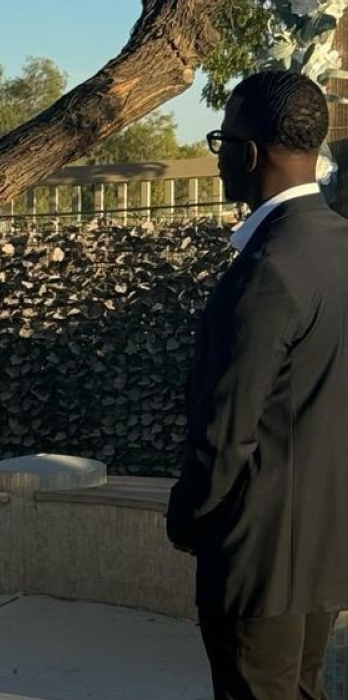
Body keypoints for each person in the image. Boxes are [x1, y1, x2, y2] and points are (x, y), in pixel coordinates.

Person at [166, 70, 348, 700]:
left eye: (220, 142)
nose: (217, 159)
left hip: (258, 556)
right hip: (325, 545)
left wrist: (188, 517)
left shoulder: (268, 270)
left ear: (248, 153)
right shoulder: (339, 246)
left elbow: (227, 430)